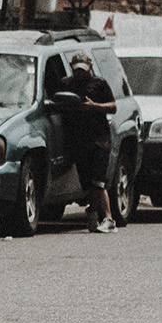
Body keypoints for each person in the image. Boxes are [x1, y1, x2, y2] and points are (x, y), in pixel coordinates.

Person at [54, 50, 119, 232]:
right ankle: (92, 210)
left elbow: (113, 107)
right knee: (88, 183)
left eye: (83, 69)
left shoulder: (99, 84)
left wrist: (95, 106)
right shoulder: (66, 84)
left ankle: (109, 220)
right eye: (77, 70)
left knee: (98, 181)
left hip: (99, 139)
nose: (80, 73)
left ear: (90, 67)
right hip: (78, 139)